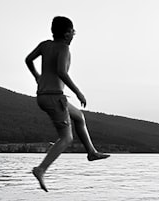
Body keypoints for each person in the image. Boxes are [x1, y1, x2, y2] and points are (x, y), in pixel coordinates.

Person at [25, 16, 109, 191]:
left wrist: (37, 76)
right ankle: (41, 169)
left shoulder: (45, 45)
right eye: (72, 31)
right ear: (65, 34)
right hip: (54, 97)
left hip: (43, 96)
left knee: (79, 117)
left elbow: (28, 60)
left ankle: (91, 152)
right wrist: (78, 92)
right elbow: (61, 72)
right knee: (66, 137)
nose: (73, 35)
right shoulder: (64, 49)